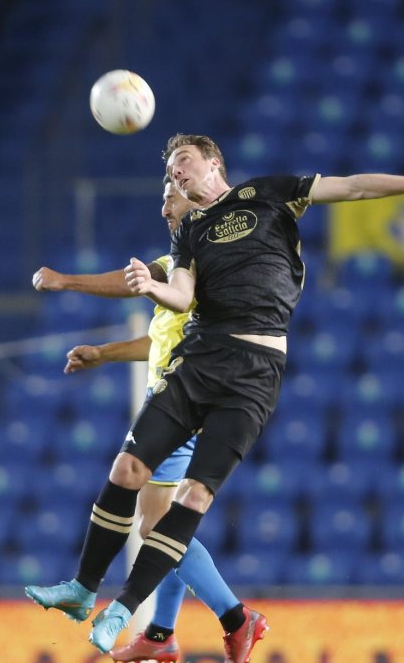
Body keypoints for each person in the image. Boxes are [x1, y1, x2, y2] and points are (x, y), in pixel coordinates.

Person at [26, 133, 404, 658]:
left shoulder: (269, 193)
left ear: (213, 162)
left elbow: (353, 187)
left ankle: (145, 617)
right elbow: (178, 296)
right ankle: (104, 600)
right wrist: (147, 292)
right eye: (170, 173)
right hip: (197, 362)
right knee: (132, 479)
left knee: (185, 503)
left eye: (183, 164)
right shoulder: (188, 234)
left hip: (255, 367)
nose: (176, 177)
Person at [30, 177, 251, 662]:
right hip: (177, 398)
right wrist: (105, 353)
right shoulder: (187, 265)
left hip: (183, 405)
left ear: (195, 202)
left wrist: (66, 281)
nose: (164, 206)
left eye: (171, 195)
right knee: (162, 526)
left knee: (155, 525)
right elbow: (161, 340)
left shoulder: (193, 264)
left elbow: (130, 284)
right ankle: (164, 635)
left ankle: (231, 617)